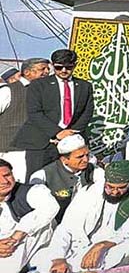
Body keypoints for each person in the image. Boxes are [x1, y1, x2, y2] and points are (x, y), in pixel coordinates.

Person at [32, 160, 129, 273]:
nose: (115, 192)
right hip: (77, 244)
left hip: (109, 244)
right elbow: (65, 228)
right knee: (42, 258)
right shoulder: (87, 193)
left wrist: (102, 245)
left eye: (121, 188)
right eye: (110, 187)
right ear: (105, 181)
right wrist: (58, 258)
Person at [12, 49, 94, 178]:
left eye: (68, 67)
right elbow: (34, 113)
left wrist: (71, 133)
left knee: (71, 179)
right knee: (37, 179)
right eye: (58, 67)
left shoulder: (84, 86)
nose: (63, 71)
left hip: (72, 142)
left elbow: (87, 111)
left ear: (75, 65)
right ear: (53, 66)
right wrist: (58, 132)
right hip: (42, 141)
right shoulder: (39, 85)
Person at [0, 158, 59, 272]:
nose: (4, 181)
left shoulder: (32, 191)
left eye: (7, 175)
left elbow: (50, 207)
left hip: (32, 244)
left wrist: (18, 234)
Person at [29, 134, 104, 223]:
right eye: (80, 157)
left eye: (87, 155)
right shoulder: (43, 175)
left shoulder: (94, 170)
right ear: (64, 160)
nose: (85, 160)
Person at [0, 58, 50, 182]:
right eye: (42, 69)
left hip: (39, 150)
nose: (47, 72)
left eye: (48, 69)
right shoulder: (9, 91)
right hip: (12, 151)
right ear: (27, 72)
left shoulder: (47, 92)